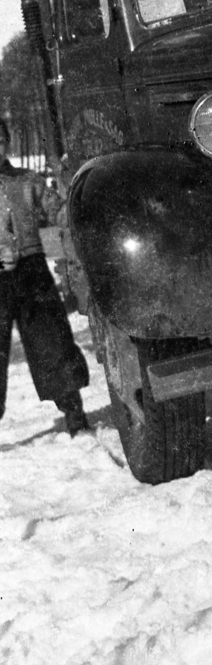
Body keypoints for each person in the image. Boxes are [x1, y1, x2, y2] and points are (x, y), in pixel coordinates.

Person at [0, 121, 90, 436]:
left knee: (51, 342)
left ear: (7, 144)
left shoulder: (28, 181)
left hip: (31, 273)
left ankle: (74, 414)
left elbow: (60, 210)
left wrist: (79, 213)